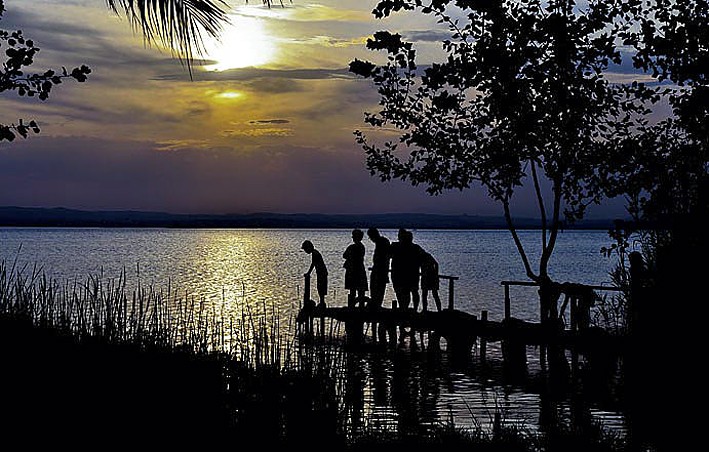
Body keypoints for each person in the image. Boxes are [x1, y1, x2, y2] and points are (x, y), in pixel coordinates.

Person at [343, 228, 368, 308]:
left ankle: (353, 306)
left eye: (353, 236)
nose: (352, 238)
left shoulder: (353, 247)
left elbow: (345, 255)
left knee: (354, 289)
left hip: (353, 270)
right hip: (359, 269)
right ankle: (360, 306)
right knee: (360, 290)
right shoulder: (362, 247)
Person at [367, 227, 390, 310]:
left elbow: (383, 257)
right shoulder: (383, 241)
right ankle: (376, 304)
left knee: (377, 287)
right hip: (380, 269)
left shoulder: (381, 242)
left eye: (370, 237)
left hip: (380, 269)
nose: (371, 239)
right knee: (378, 288)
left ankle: (376, 305)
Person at [302, 239, 328, 308]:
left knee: (320, 288)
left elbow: (313, 264)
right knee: (320, 287)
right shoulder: (315, 253)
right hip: (321, 273)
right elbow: (313, 264)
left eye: (305, 249)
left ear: (309, 247)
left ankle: (322, 302)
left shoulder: (315, 253)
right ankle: (322, 302)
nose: (305, 251)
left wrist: (308, 273)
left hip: (322, 273)